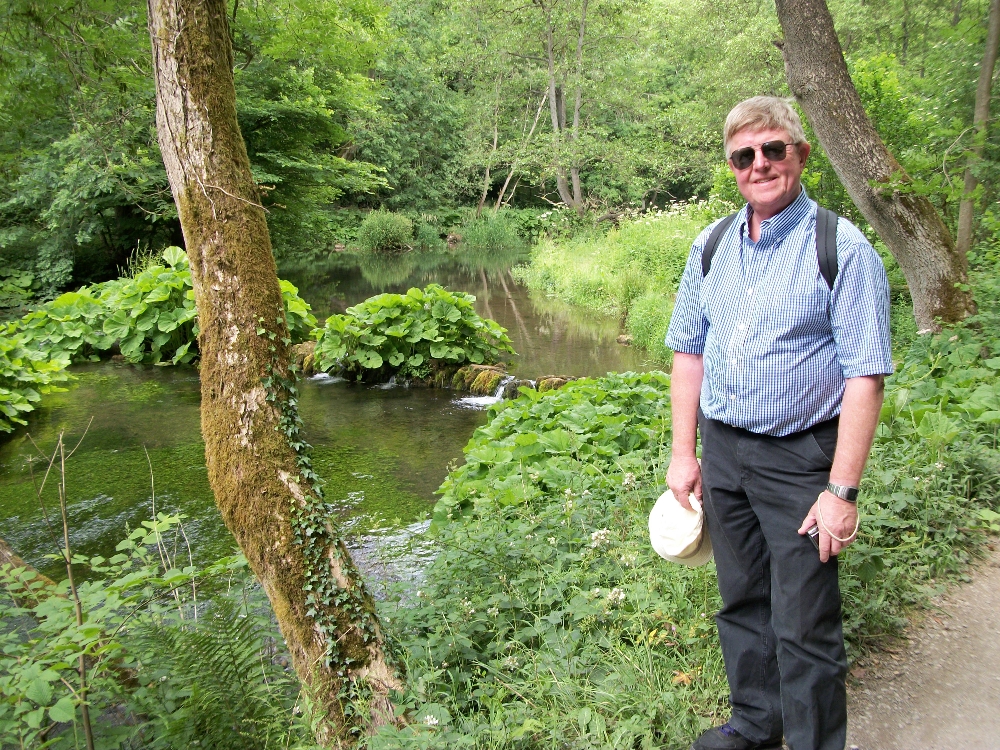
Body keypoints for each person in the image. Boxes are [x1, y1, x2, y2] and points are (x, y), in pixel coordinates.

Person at [664, 96, 894, 750]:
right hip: (727, 453)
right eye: (745, 156)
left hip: (801, 461)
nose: (759, 165)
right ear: (733, 166)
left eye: (772, 150)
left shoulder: (840, 250)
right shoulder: (709, 246)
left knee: (804, 622)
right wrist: (686, 454)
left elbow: (865, 377)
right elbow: (688, 352)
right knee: (742, 605)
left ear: (800, 155)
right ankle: (757, 727)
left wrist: (841, 491)